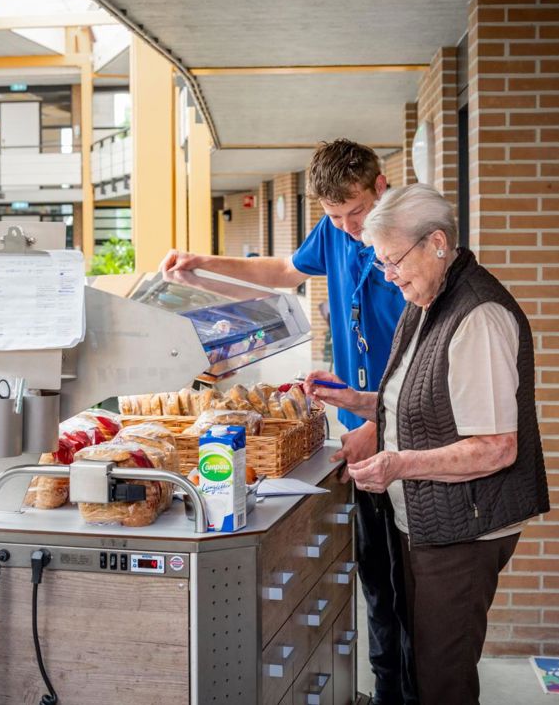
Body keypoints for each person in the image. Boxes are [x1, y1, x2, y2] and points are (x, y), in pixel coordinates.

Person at [161, 139, 416, 705]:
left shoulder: (410, 240)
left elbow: (429, 355)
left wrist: (381, 420)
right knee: (375, 579)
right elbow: (281, 272)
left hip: (403, 429)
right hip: (357, 428)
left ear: (381, 188)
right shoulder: (333, 233)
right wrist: (203, 266)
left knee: (409, 592)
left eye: (358, 214)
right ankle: (389, 694)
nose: (350, 229)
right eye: (335, 217)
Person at [304, 183, 549, 705]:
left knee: (443, 678)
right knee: (421, 661)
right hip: (428, 522)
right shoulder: (428, 296)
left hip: (466, 529)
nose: (388, 276)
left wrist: (397, 464)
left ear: (436, 242)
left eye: (393, 261)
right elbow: (424, 401)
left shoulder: (478, 316)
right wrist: (358, 398)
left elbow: (497, 446)